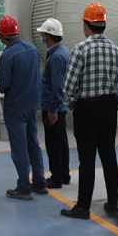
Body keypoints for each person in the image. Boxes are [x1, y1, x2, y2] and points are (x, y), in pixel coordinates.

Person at [60, 3, 118, 220]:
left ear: (86, 25)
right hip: (109, 108)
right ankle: (113, 203)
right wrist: (113, 105)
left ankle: (82, 208)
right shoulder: (115, 50)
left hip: (87, 109)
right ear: (104, 25)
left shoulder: (80, 49)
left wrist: (72, 104)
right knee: (109, 157)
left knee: (86, 160)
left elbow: (69, 85)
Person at [0, 15, 47, 200]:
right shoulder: (33, 49)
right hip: (33, 104)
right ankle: (40, 182)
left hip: (15, 107)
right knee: (33, 142)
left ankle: (24, 187)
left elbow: (3, 85)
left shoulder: (7, 55)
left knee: (19, 148)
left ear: (2, 36)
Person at [37, 18, 71, 189]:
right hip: (59, 106)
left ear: (48, 37)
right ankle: (64, 174)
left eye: (43, 34)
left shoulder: (56, 56)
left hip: (53, 107)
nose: (42, 37)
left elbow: (58, 86)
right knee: (61, 141)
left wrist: (52, 109)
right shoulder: (62, 52)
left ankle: (56, 177)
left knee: (54, 144)